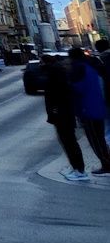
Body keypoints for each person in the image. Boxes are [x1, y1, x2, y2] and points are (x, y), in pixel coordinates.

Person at [42, 54, 89, 182]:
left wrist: (55, 111)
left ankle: (79, 170)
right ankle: (77, 168)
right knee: (69, 141)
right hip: (64, 113)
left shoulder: (55, 75)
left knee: (69, 142)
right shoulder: (60, 74)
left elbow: (54, 96)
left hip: (62, 114)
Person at [68, 47, 110, 175]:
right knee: (100, 138)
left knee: (95, 140)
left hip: (88, 109)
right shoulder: (92, 65)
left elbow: (78, 89)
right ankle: (106, 161)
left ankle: (106, 164)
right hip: (98, 106)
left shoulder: (78, 69)